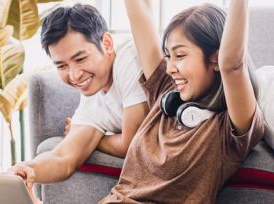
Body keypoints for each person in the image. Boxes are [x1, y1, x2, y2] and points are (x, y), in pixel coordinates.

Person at [100, 0, 265, 203]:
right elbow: (138, 10)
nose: (169, 68)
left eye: (179, 55)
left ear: (215, 59)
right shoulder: (165, 91)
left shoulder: (228, 130)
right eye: (168, 56)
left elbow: (233, 65)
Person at [7, 3, 149, 192]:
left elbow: (132, 144)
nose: (74, 76)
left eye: (80, 59)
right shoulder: (91, 97)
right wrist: (28, 169)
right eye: (62, 66)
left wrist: (98, 140)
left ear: (106, 43)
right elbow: (63, 159)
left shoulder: (129, 58)